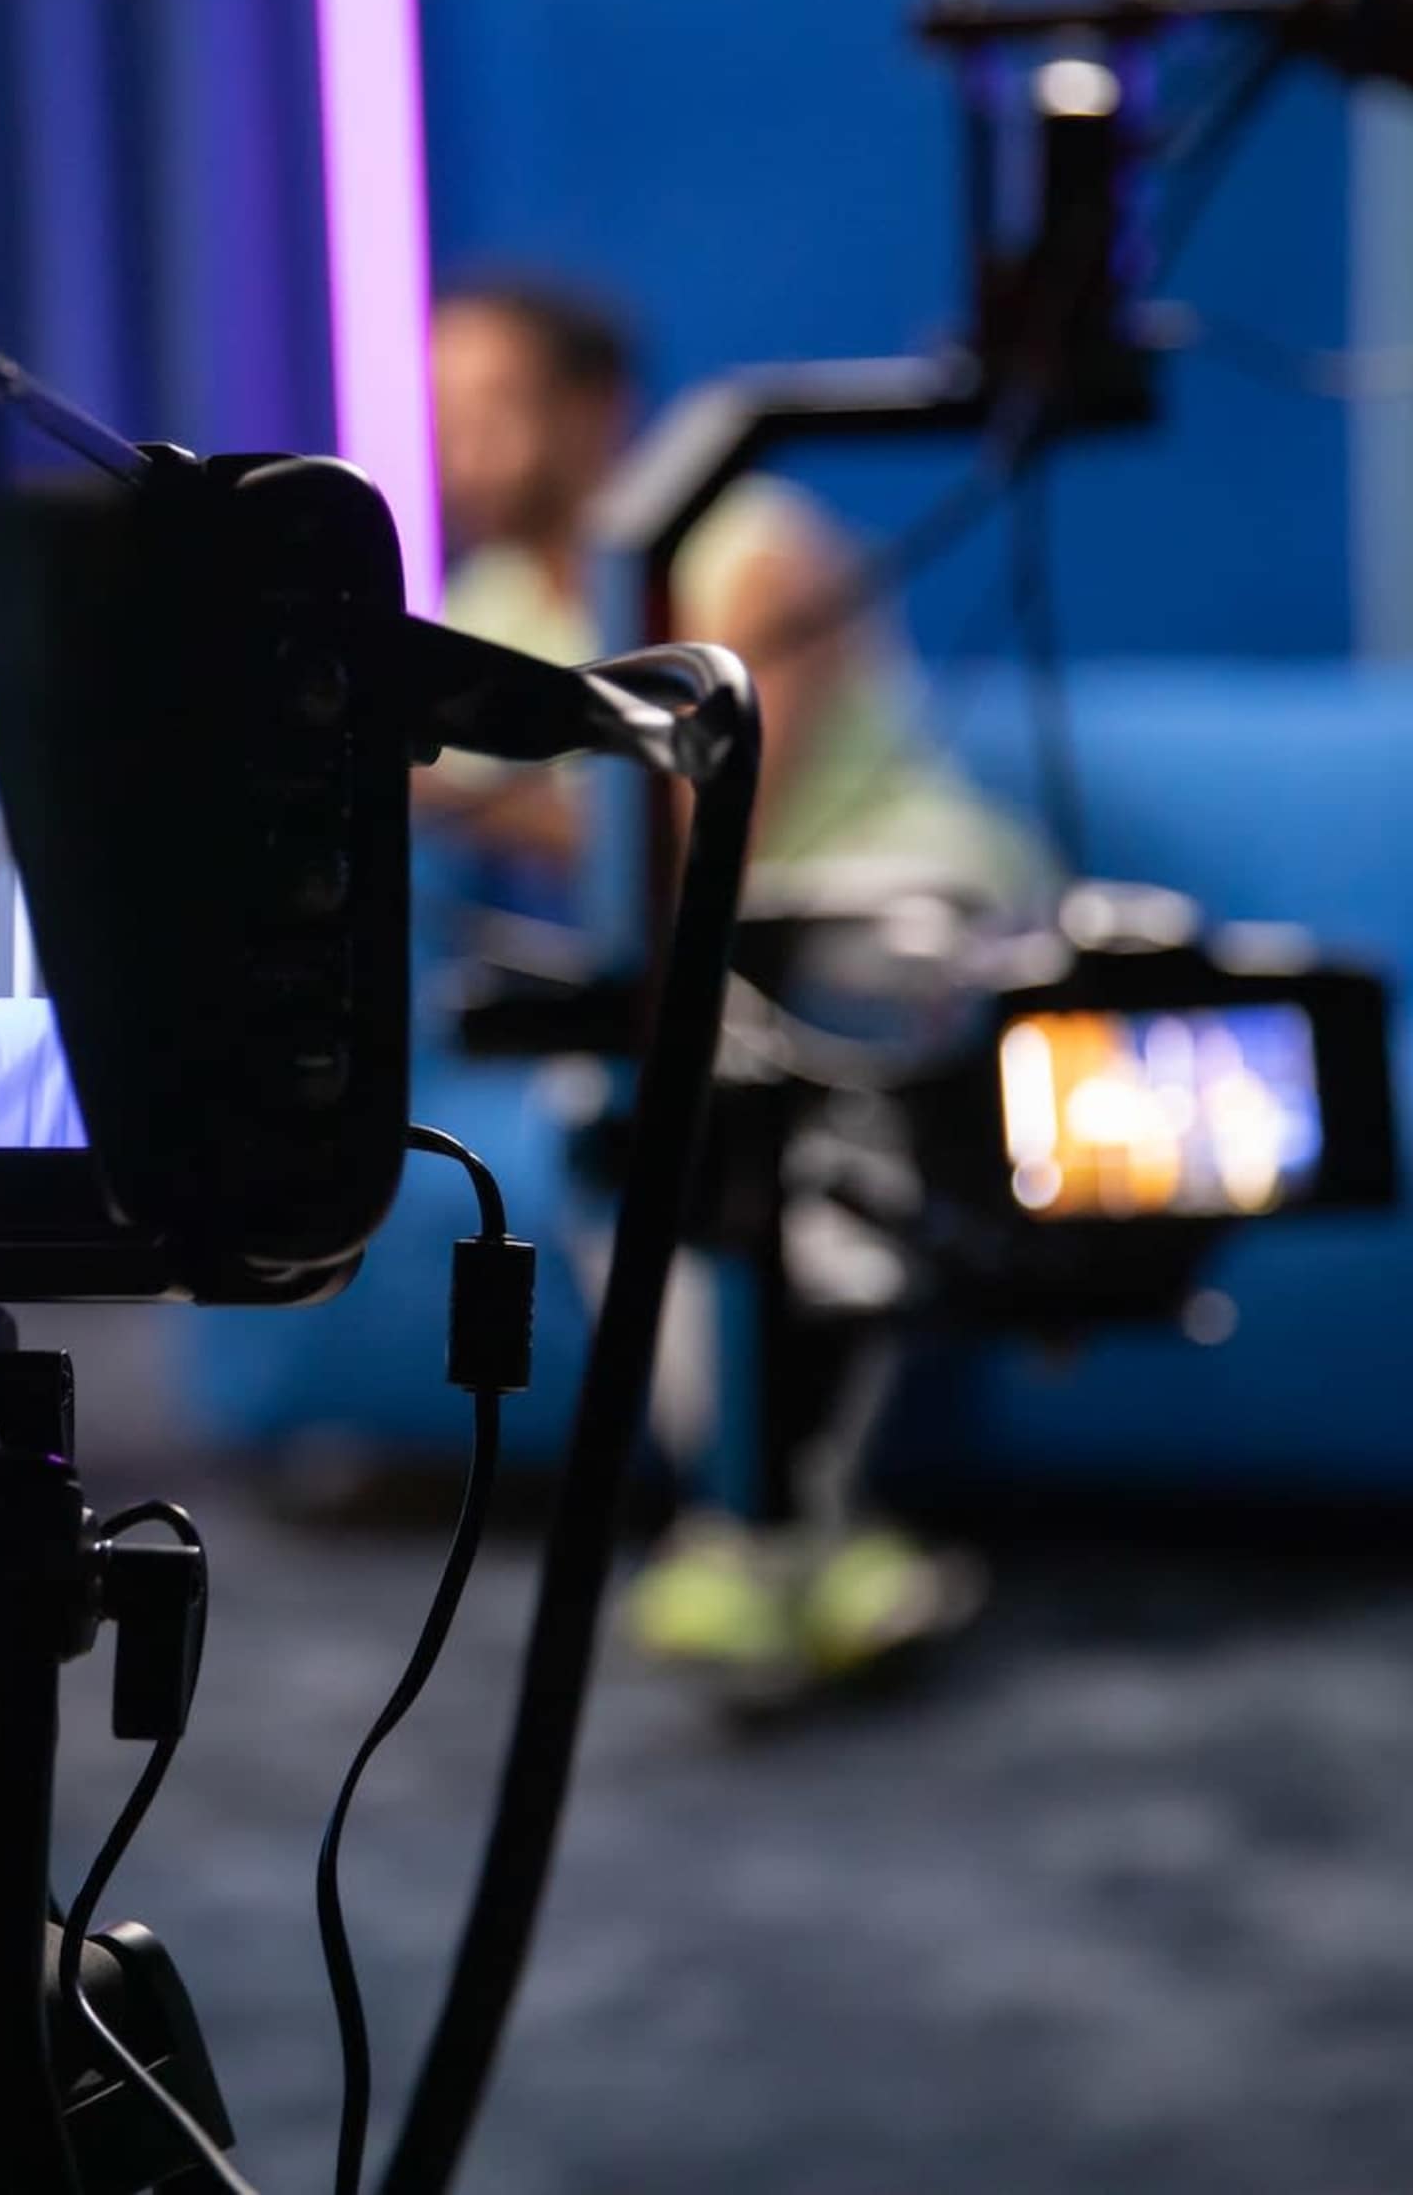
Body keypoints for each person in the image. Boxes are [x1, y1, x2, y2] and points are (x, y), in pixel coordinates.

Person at [419, 270, 1050, 1698]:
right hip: (714, 971)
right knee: (616, 1093)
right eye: (443, 413)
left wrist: (474, 789)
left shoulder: (757, 553)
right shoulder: (493, 603)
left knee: (793, 1072)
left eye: (493, 409)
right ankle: (808, 1540)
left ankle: (765, 1532)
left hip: (893, 902)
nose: (460, 449)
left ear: (597, 412)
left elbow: (708, 836)